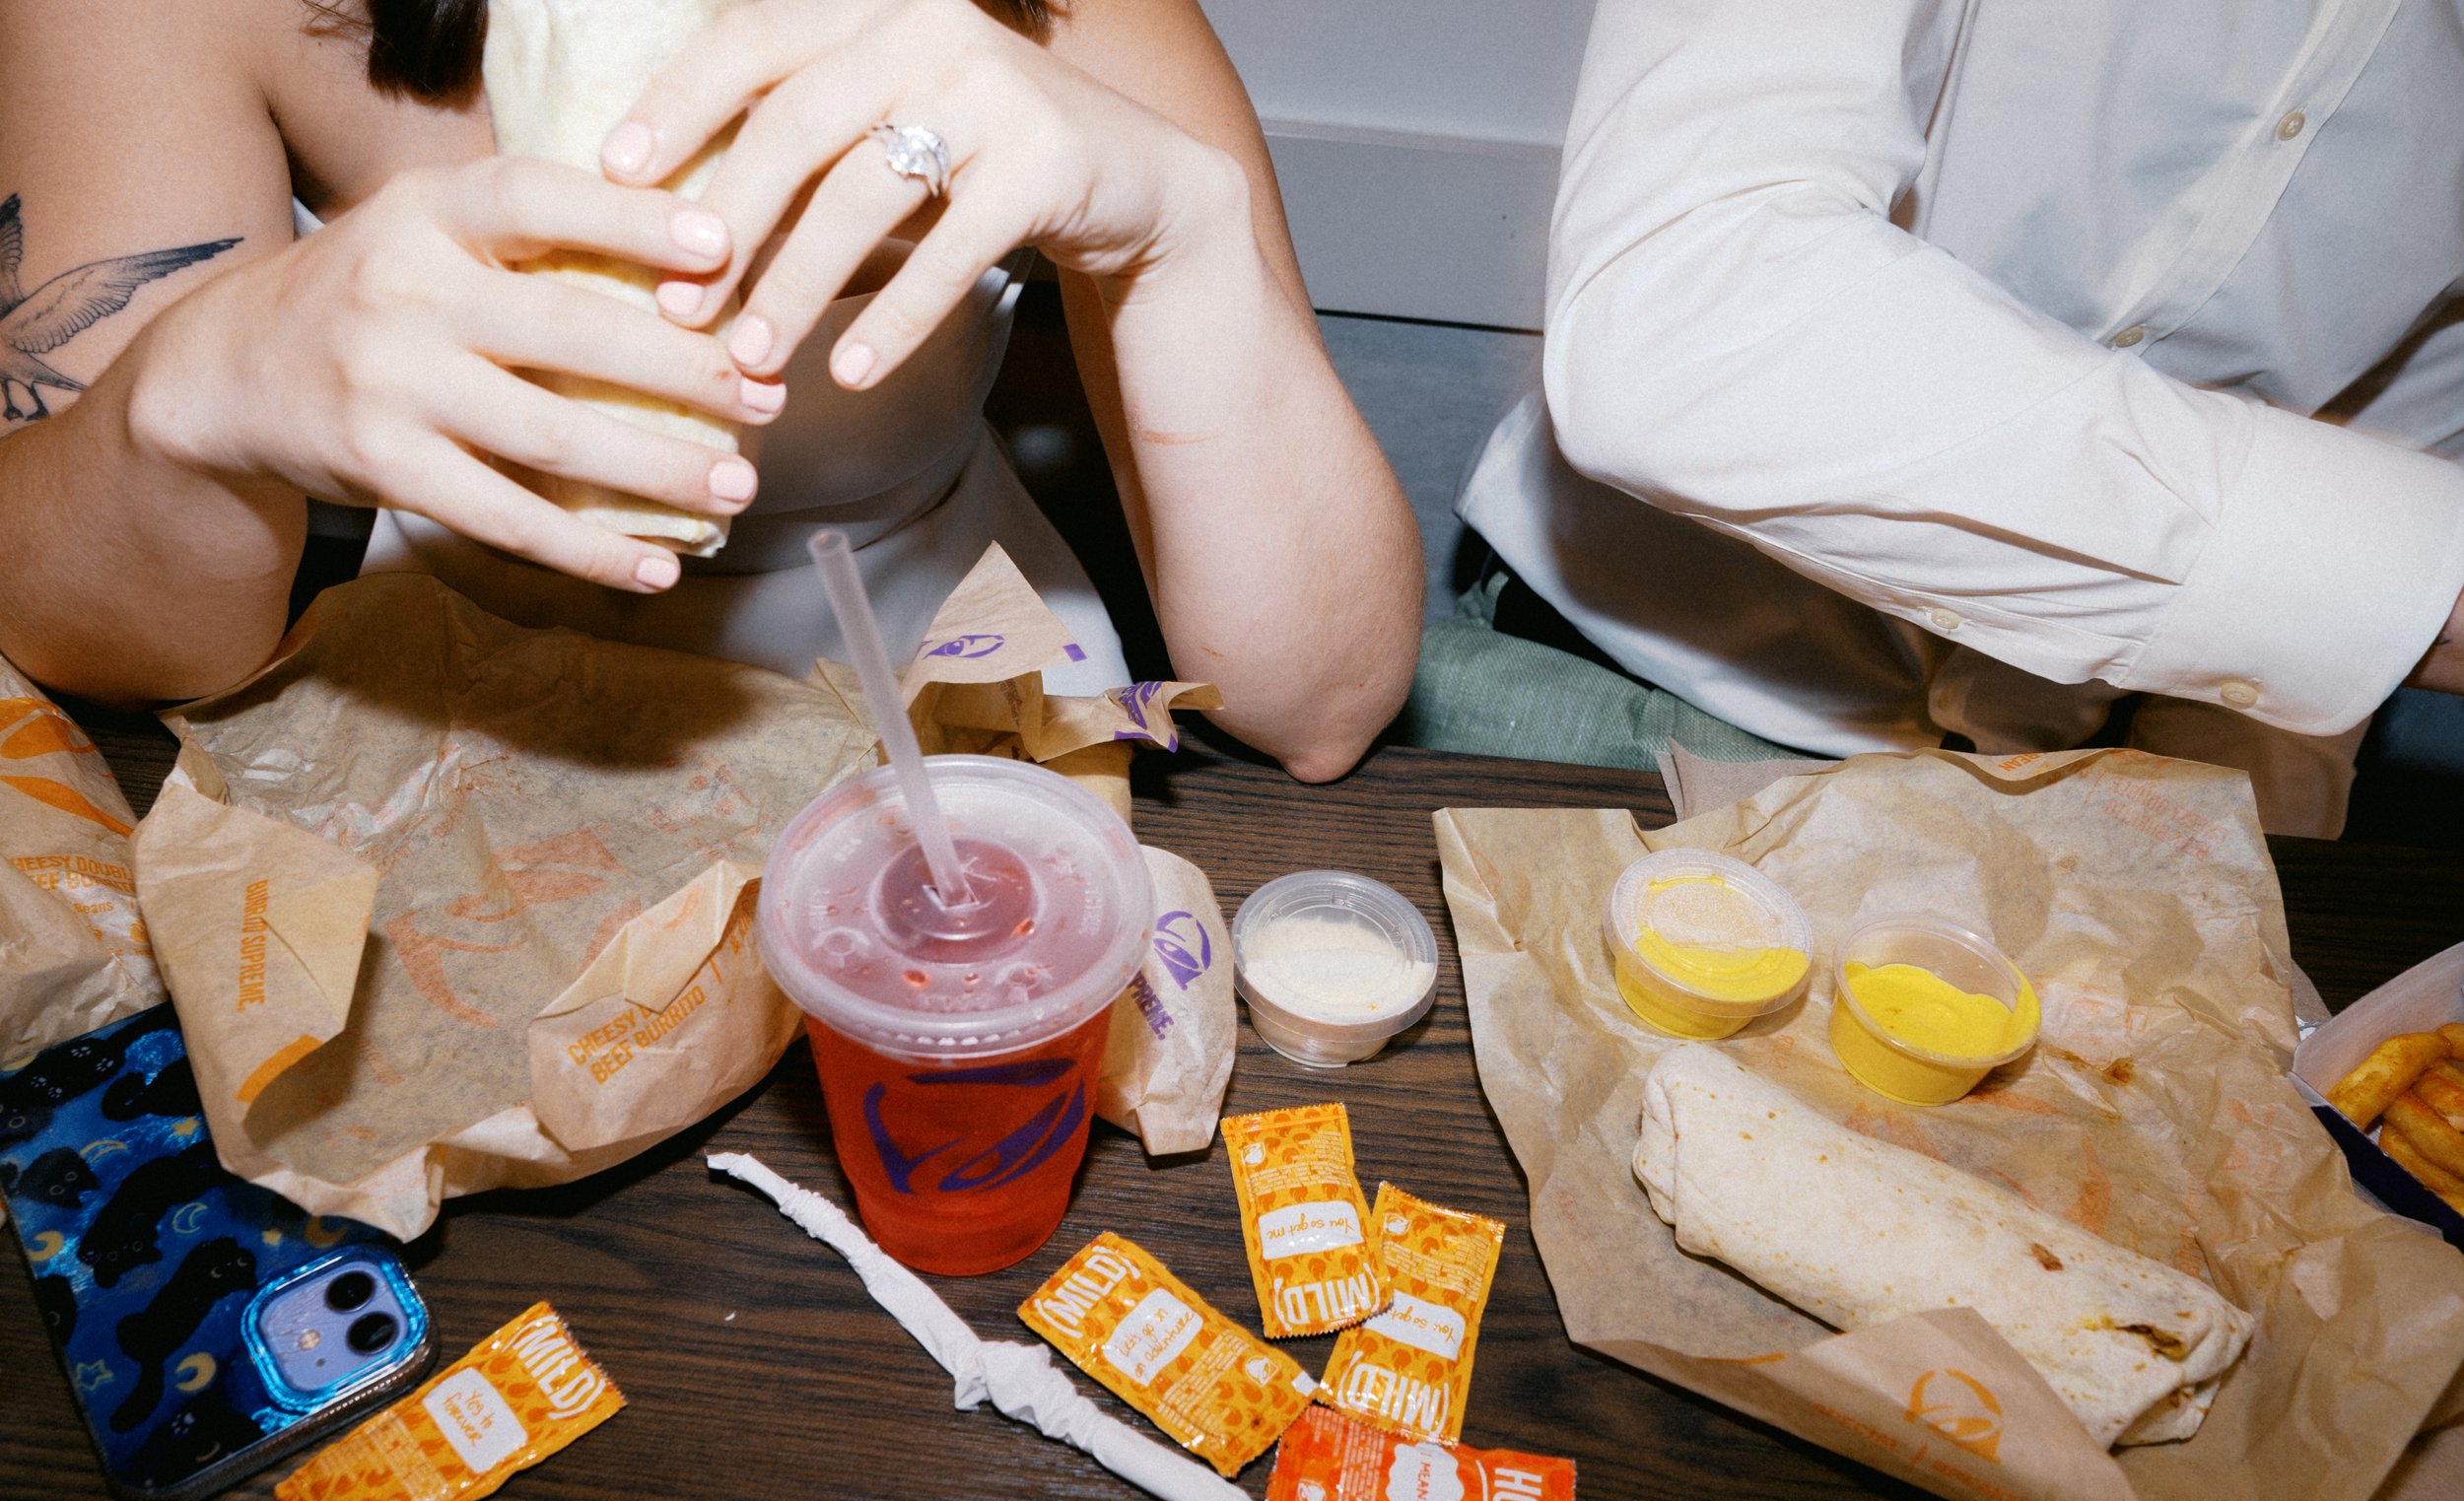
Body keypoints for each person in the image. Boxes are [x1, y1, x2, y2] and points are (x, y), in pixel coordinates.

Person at [0, 0, 1421, 783]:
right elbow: (134, 650)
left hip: (961, 709)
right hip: (444, 741)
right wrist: (180, 399)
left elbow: (1324, 703)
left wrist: (1183, 239)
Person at [1450, 0, 2464, 836]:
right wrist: (2421, 581)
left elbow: (2386, 444)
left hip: (2095, 799)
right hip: (1621, 688)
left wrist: (2246, 845)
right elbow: (1681, 322)